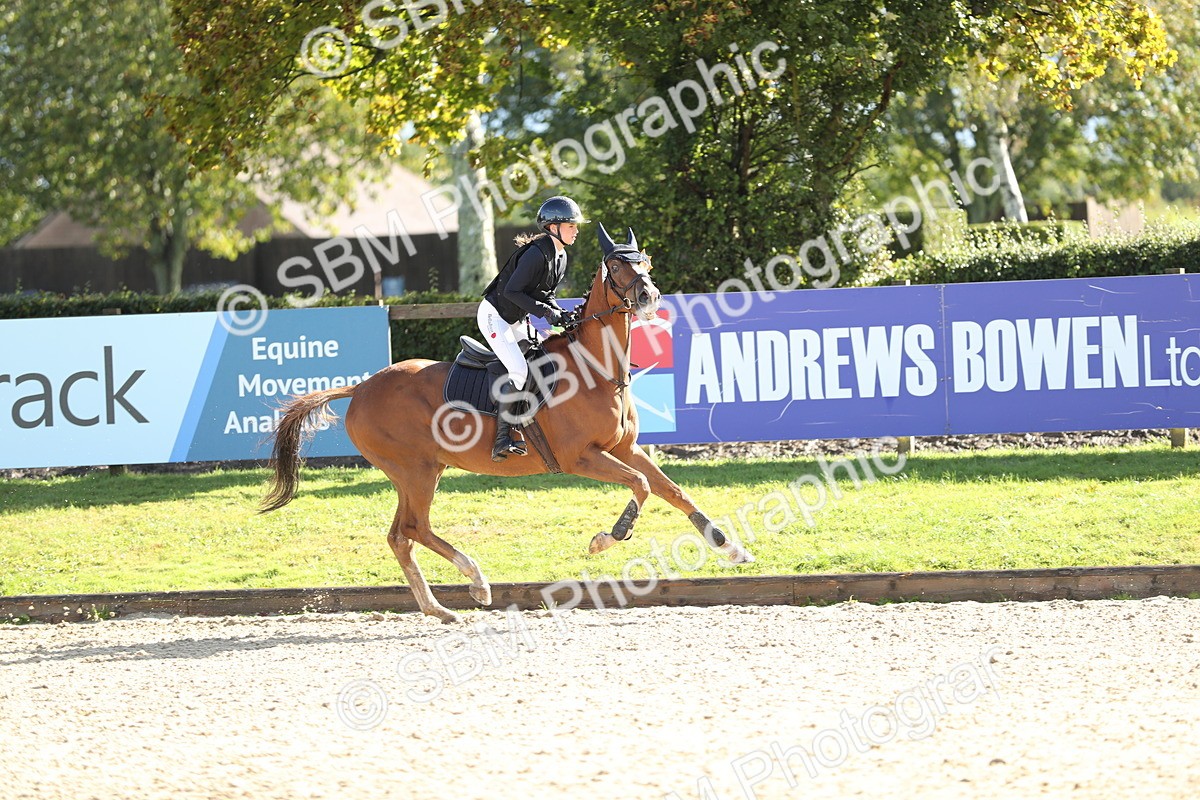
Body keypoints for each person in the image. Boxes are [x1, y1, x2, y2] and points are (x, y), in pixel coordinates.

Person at [478, 195, 585, 461]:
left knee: (544, 358)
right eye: (571, 225)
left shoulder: (560, 256)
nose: (576, 230)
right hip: (496, 315)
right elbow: (514, 291)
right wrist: (546, 312)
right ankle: (501, 439)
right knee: (519, 369)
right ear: (553, 227)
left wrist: (559, 313)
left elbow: (546, 295)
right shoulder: (536, 254)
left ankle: (530, 420)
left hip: (516, 319)